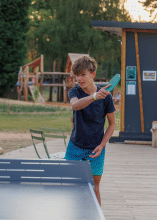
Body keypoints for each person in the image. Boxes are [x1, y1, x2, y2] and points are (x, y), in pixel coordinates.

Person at [64, 56, 116, 206]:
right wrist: (94, 97)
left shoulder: (106, 96)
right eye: (77, 75)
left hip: (96, 149)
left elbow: (112, 124)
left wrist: (102, 145)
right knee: (70, 187)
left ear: (93, 74)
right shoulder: (74, 91)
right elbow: (75, 106)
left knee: (95, 188)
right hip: (75, 147)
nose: (79, 79)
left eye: (83, 74)